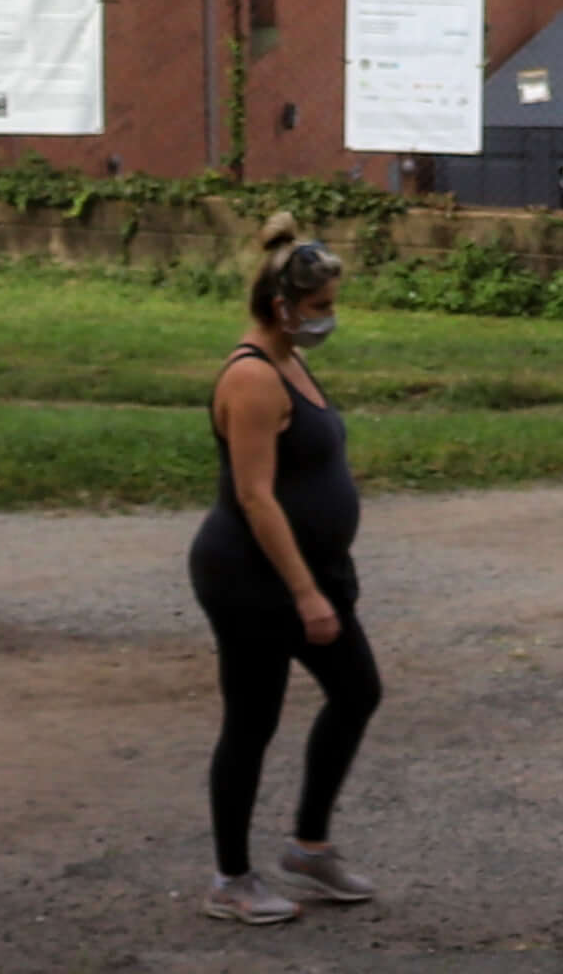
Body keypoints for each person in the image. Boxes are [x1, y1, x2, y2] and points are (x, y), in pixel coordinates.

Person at [186, 224, 379, 922]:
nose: (329, 316)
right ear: (280, 304)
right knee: (252, 720)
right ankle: (230, 881)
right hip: (252, 578)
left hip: (314, 570)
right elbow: (254, 496)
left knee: (357, 692)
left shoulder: (291, 359)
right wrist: (305, 593)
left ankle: (307, 849)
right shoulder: (251, 377)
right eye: (320, 304)